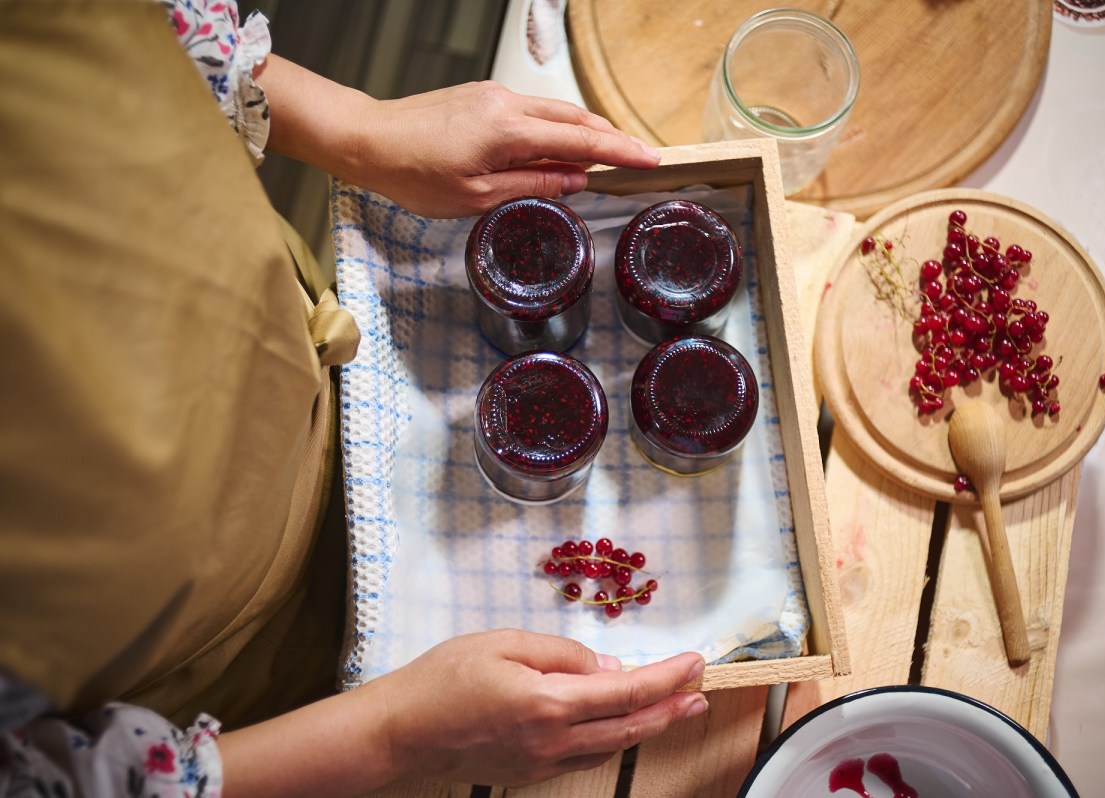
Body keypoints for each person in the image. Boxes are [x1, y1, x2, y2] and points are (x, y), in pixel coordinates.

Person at [0, 1, 707, 795]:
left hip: (303, 362)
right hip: (227, 678)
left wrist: (355, 128)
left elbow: (137, 29)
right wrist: (393, 740)